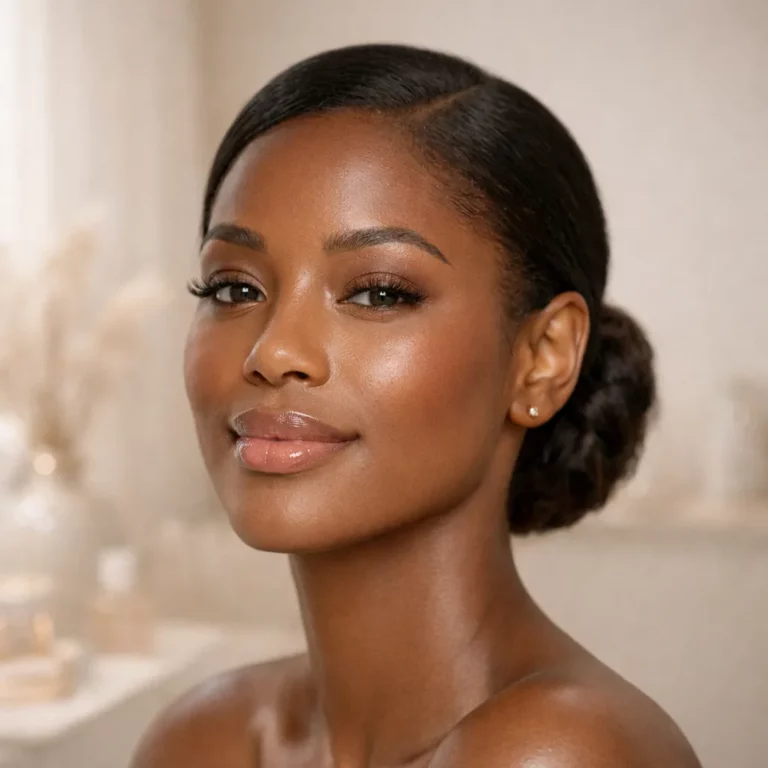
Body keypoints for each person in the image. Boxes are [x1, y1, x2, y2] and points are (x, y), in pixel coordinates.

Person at [133, 43, 701, 767]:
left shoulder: (558, 753)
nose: (273, 352)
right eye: (234, 288)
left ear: (542, 358)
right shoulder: (199, 740)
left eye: (379, 293)